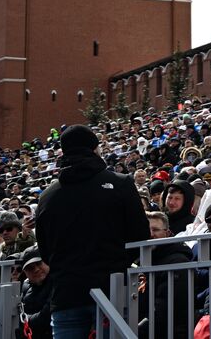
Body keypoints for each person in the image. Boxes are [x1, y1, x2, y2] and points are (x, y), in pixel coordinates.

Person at [35, 124, 151, 339]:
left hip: (66, 292)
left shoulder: (48, 196)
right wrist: (117, 260)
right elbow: (140, 235)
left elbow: (44, 248)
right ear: (95, 149)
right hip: (111, 287)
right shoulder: (120, 183)